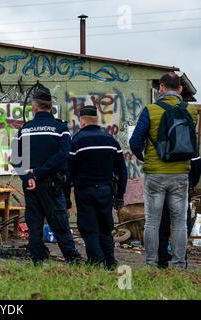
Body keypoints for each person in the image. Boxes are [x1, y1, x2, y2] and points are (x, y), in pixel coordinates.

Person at [129, 72, 198, 268]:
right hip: (180, 174)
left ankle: (152, 264)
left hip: (155, 174)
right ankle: (179, 264)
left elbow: (135, 142)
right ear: (181, 89)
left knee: (152, 221)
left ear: (160, 87)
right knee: (179, 223)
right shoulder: (191, 112)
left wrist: (146, 158)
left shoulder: (150, 110)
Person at [12, 84, 81, 265]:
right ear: (51, 107)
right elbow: (64, 154)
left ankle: (38, 260)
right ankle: (72, 259)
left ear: (35, 107)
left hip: (31, 185)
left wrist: (29, 177)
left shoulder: (24, 130)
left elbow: (15, 158)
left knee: (34, 225)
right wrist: (41, 173)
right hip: (52, 184)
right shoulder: (60, 128)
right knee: (59, 223)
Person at [69, 105, 128, 270]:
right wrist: (120, 195)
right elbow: (122, 171)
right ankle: (110, 261)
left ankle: (95, 261)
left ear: (82, 121)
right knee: (106, 227)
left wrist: (66, 195)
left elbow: (68, 170)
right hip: (106, 191)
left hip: (85, 191)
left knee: (89, 228)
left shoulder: (76, 141)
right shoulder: (111, 140)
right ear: (96, 120)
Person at [158, 156, 201, 268]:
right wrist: (191, 183)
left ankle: (161, 262)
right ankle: (180, 262)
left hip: (160, 187)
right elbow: (197, 165)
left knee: (161, 226)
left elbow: (136, 145)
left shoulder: (158, 139)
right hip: (181, 186)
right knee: (181, 226)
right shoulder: (187, 140)